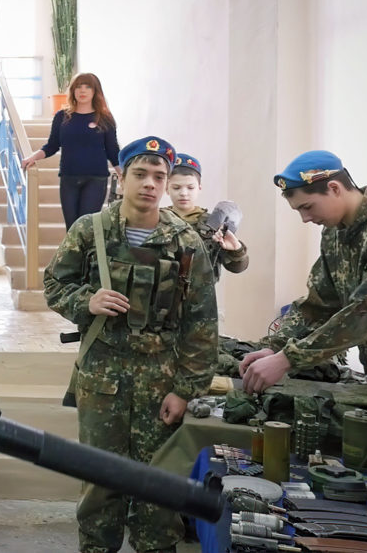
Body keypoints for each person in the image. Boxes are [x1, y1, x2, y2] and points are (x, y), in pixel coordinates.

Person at [44, 136, 218, 553]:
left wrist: (186, 389)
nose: (150, 185)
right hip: (102, 377)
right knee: (101, 482)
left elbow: (201, 323)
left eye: (160, 177)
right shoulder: (91, 230)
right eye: (140, 174)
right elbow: (54, 283)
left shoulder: (186, 241)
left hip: (161, 380)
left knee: (159, 487)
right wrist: (85, 301)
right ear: (120, 176)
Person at [239, 150, 367, 488]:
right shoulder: (337, 233)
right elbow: (319, 304)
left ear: (334, 188)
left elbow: (364, 315)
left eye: (306, 207)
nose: (304, 219)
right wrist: (273, 347)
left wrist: (288, 360)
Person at [20, 73, 120, 228]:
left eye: (88, 87)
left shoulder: (104, 118)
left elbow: (113, 151)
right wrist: (33, 157)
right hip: (68, 179)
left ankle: (88, 253)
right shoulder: (62, 116)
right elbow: (52, 145)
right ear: (73, 91)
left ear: (95, 91)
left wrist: (124, 175)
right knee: (71, 230)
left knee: (86, 228)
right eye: (78, 87)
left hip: (95, 180)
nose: (83, 90)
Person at [165, 153, 249, 281]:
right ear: (166, 189)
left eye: (190, 187)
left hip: (201, 298)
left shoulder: (214, 224)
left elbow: (237, 267)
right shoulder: (158, 219)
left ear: (199, 188)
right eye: (176, 187)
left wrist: (236, 249)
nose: (183, 193)